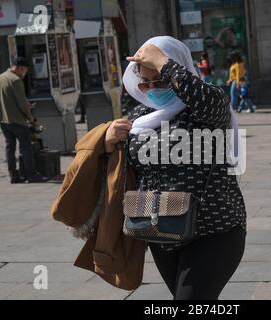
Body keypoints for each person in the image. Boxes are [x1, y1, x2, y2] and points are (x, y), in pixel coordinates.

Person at [105, 36, 247, 300]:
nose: (153, 89)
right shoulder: (140, 118)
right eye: (145, 84)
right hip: (160, 230)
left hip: (214, 230)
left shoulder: (207, 107)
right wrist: (108, 139)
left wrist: (161, 61)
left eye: (159, 80)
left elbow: (207, 101)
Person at [0, 57, 48, 184]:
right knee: (26, 148)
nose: (24, 73)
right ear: (20, 68)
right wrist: (31, 118)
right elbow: (22, 103)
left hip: (3, 119)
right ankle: (31, 175)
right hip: (17, 120)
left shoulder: (0, 77)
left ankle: (13, 175)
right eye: (24, 70)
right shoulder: (16, 80)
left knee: (10, 148)